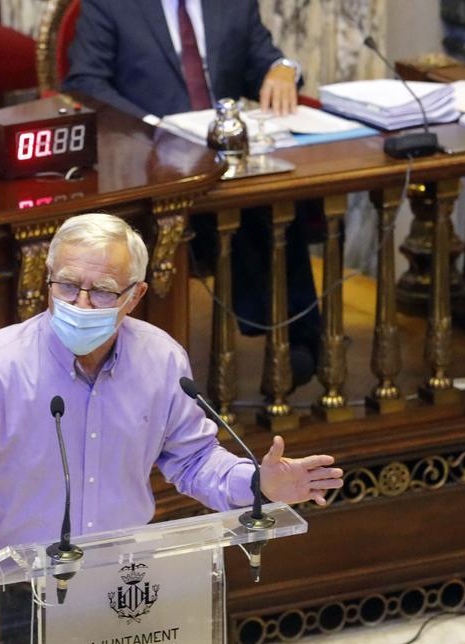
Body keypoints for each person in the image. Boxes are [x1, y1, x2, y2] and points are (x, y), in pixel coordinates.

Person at [0, 213, 343, 644]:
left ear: (135, 295)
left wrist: (261, 485)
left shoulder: (160, 360)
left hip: (117, 585)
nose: (82, 304)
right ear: (47, 281)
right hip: (6, 590)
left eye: (103, 291)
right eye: (67, 286)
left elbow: (195, 460)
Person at [62, 0, 323, 392]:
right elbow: (86, 83)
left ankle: (294, 342)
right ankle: (152, 371)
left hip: (225, 159)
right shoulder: (110, 5)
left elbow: (264, 62)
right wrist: (152, 126)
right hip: (147, 163)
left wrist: (284, 70)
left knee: (278, 199)